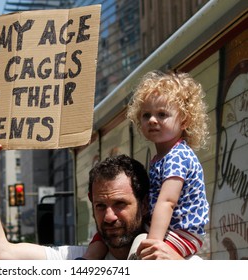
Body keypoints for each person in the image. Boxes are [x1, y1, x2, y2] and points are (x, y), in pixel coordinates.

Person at [0, 127, 186, 260]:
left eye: (120, 204)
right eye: (100, 206)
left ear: (146, 204)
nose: (109, 216)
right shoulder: (76, 260)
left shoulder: (178, 262)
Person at [84, 70, 210, 259]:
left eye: (162, 114)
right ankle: (83, 264)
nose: (152, 120)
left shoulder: (177, 156)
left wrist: (153, 241)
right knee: (109, 233)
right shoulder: (162, 156)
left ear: (184, 120)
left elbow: (167, 202)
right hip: (171, 228)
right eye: (146, 115)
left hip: (182, 232)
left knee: (142, 250)